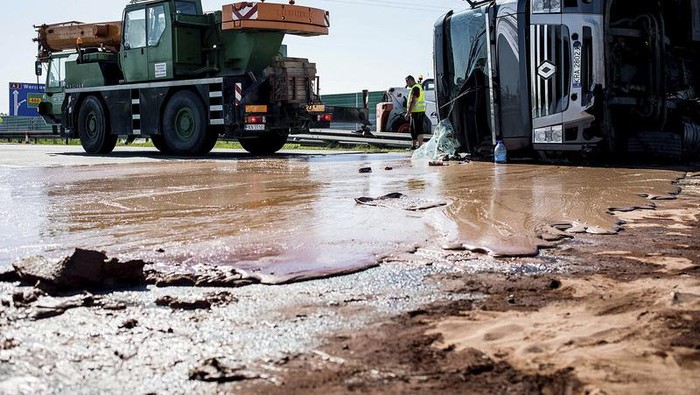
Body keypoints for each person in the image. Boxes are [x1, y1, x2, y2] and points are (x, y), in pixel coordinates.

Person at [404, 75, 427, 149]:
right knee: (413, 129)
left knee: (418, 129)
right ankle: (414, 145)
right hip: (414, 112)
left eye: (407, 82)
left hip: (418, 112)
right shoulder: (414, 88)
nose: (407, 85)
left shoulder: (416, 88)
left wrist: (408, 112)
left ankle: (420, 146)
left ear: (411, 80)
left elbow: (413, 101)